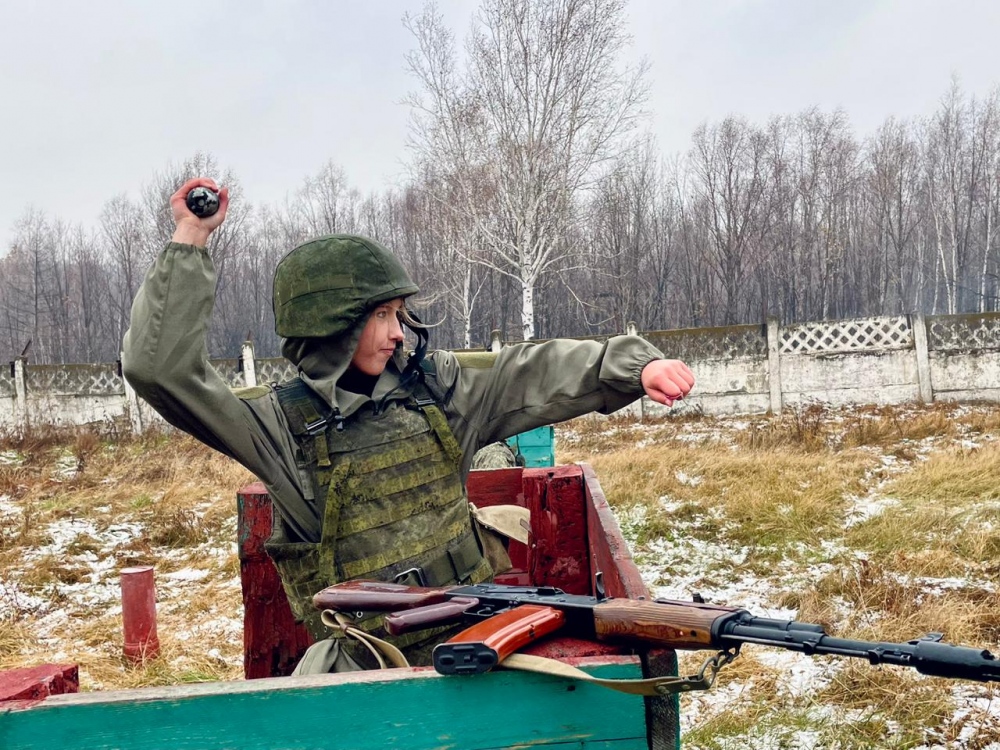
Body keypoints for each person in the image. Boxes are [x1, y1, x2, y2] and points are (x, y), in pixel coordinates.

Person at [122, 177, 696, 673]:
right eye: (381, 315)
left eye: (398, 314)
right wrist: (191, 237)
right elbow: (160, 371)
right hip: (367, 666)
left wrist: (632, 367)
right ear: (332, 327)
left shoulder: (437, 389)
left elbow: (527, 372)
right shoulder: (278, 427)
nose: (398, 332)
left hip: (477, 633)